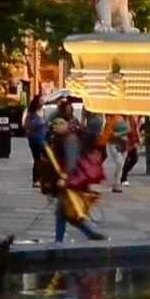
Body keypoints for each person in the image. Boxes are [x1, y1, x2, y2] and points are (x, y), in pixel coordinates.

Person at [36, 98, 106, 242]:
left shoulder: (70, 139)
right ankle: (91, 235)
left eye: (60, 123)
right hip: (70, 181)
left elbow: (72, 160)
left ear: (67, 124)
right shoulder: (61, 138)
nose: (56, 126)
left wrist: (64, 177)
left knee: (63, 212)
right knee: (66, 213)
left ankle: (60, 241)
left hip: (72, 182)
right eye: (55, 124)